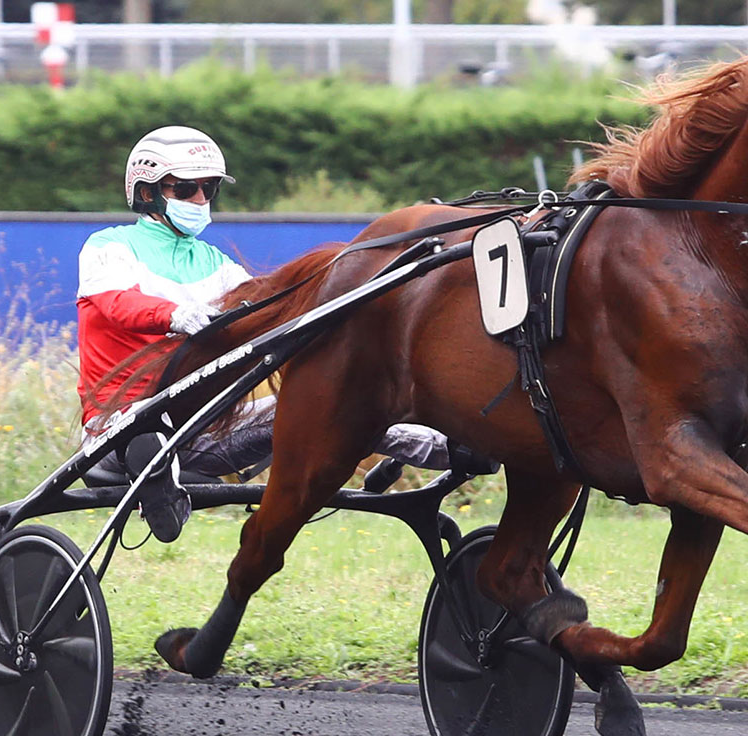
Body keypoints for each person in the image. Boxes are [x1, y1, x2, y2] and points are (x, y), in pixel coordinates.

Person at [76, 126, 463, 543]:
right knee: (144, 430)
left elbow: (266, 316)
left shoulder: (216, 263)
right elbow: (117, 304)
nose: (201, 201)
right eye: (188, 189)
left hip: (204, 427)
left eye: (209, 189)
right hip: (116, 425)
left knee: (336, 408)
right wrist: (176, 315)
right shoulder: (107, 247)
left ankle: (452, 447)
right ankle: (156, 475)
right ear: (148, 193)